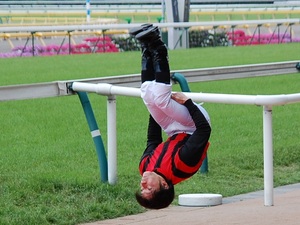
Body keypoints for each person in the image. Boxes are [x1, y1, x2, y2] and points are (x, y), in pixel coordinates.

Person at [129, 24, 211, 209]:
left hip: (173, 129)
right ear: (164, 185)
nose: (142, 184)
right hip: (194, 125)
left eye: (142, 190)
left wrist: (154, 110)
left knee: (148, 96)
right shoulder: (183, 165)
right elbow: (204, 130)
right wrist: (187, 103)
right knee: (161, 99)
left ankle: (146, 48)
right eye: (149, 189)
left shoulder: (144, 167)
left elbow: (153, 139)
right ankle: (157, 45)